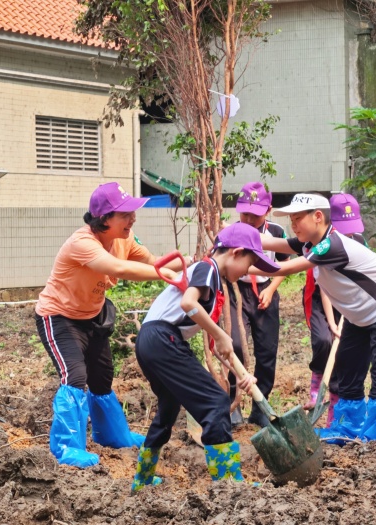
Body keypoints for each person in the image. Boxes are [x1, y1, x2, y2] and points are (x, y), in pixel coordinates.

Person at [35, 182, 183, 468]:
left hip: (93, 317)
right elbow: (117, 268)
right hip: (60, 318)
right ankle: (67, 448)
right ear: (105, 219)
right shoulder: (83, 243)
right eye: (126, 213)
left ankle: (113, 435)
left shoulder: (125, 239)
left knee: (102, 378)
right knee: (75, 376)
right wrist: (165, 275)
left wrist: (194, 261)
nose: (133, 218)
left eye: (133, 212)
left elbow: (153, 261)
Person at [130, 223, 279, 491]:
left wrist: (240, 374)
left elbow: (218, 347)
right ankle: (229, 486)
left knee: (168, 408)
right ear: (236, 252)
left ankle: (142, 479)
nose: (248, 271)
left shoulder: (213, 281)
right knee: (216, 403)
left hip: (153, 341)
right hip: (163, 338)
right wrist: (221, 333)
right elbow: (188, 303)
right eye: (249, 263)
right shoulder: (208, 268)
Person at [253, 193, 376, 443]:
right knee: (348, 367)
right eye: (291, 220)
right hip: (358, 314)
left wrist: (242, 267)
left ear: (318, 217)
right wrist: (237, 237)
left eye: (297, 219)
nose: (293, 225)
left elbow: (286, 267)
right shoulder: (310, 242)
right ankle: (347, 429)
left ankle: (371, 439)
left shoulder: (331, 245)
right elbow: (275, 244)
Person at [227, 182, 290, 428]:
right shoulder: (232, 232)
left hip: (266, 291)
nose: (250, 218)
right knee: (234, 344)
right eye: (245, 213)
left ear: (268, 210)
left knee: (267, 351)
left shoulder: (275, 231)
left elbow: (285, 265)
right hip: (237, 291)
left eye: (256, 213)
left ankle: (260, 406)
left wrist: (272, 289)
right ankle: (233, 402)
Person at [301, 193, 367, 427]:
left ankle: (335, 414)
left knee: (344, 355)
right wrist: (331, 322)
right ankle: (317, 386)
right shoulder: (322, 244)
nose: (348, 234)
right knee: (324, 341)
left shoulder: (357, 241)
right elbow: (325, 287)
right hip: (323, 297)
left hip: (348, 300)